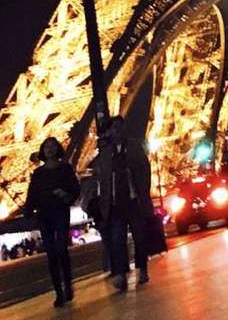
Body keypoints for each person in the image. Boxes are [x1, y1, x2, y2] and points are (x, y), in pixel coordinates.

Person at [94, 116, 154, 291]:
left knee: (140, 238)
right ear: (110, 131)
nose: (118, 130)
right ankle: (121, 274)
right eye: (115, 127)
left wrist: (143, 190)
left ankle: (142, 267)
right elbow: (102, 178)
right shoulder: (105, 153)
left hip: (133, 199)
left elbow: (144, 169)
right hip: (115, 203)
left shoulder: (133, 147)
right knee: (117, 241)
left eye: (121, 126)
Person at [22, 136, 80, 307]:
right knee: (51, 254)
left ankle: (67, 285)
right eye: (46, 147)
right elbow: (32, 194)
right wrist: (28, 212)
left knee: (61, 249)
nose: (49, 149)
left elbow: (75, 189)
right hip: (44, 214)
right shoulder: (38, 173)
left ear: (57, 149)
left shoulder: (65, 168)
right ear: (42, 151)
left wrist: (66, 197)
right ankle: (59, 292)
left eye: (52, 146)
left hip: (60, 212)